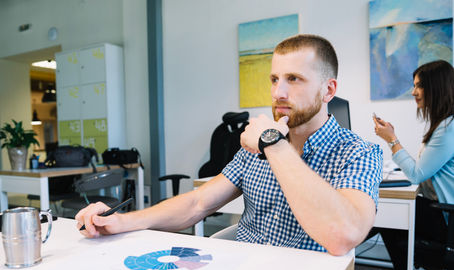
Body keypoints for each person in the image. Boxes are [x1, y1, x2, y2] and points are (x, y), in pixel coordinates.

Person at [76, 34, 383, 256]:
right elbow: (199, 203)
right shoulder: (256, 148)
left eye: (294, 79)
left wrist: (273, 145)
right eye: (274, 79)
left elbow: (343, 236)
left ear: (328, 90)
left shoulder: (359, 152)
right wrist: (121, 222)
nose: (278, 92)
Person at [373, 59, 454, 270]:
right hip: (443, 211)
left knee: (381, 211)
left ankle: (338, 255)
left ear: (435, 87)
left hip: (447, 219)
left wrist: (391, 139)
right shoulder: (444, 124)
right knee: (388, 216)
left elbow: (417, 173)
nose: (413, 91)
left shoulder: (448, 128)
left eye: (419, 85)